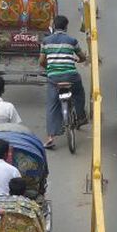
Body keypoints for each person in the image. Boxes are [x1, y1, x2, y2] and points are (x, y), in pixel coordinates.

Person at [40, 15, 86, 150]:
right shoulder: (72, 40)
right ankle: (80, 116)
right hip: (71, 77)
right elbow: (82, 56)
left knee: (52, 105)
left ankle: (50, 138)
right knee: (79, 93)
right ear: (66, 27)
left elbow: (42, 61)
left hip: (54, 79)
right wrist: (79, 60)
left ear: (53, 26)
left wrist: (49, 68)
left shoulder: (46, 41)